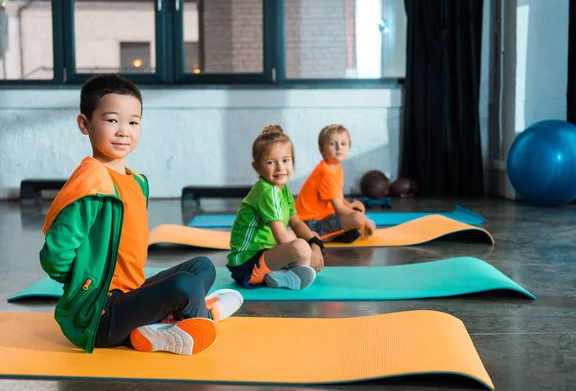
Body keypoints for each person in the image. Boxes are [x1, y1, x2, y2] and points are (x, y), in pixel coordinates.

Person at [39, 73, 243, 355]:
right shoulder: (91, 185)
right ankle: (196, 319)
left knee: (202, 267)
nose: (124, 131)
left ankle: (162, 325)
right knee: (184, 285)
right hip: (100, 314)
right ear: (84, 124)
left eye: (133, 122)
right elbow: (54, 256)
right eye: (112, 120)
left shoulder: (137, 181)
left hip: (129, 294)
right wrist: (84, 285)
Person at [227, 125, 325, 290]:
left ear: (293, 161)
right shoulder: (267, 192)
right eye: (271, 162)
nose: (280, 168)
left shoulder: (282, 189)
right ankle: (293, 276)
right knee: (300, 246)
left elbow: (296, 222)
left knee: (309, 235)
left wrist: (315, 243)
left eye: (285, 160)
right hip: (247, 266)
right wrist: (309, 252)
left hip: (265, 256)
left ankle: (284, 275)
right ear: (256, 167)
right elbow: (281, 237)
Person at [295, 124, 375, 243]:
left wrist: (353, 209)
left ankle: (341, 233)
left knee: (358, 206)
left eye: (343, 144)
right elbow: (339, 208)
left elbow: (339, 199)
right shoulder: (326, 172)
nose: (339, 148)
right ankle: (331, 234)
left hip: (325, 216)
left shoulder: (336, 169)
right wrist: (365, 220)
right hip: (311, 224)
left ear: (349, 148)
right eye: (332, 144)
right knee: (358, 218)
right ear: (321, 149)